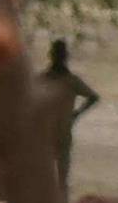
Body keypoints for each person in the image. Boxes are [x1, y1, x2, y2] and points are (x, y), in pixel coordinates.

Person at [37, 37, 100, 187]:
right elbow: (93, 97)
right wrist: (76, 113)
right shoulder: (70, 81)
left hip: (50, 130)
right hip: (60, 128)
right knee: (59, 174)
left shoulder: (44, 80)